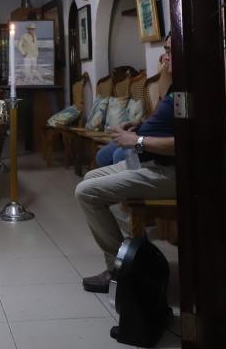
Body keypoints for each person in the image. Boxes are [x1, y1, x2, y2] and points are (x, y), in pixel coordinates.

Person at [74, 35, 175, 293]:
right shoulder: (174, 85)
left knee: (85, 192)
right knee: (89, 180)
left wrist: (137, 140)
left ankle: (118, 268)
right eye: (164, 51)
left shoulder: (193, 91)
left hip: (168, 171)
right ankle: (130, 257)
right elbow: (163, 122)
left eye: (171, 52)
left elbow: (185, 143)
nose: (164, 57)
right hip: (149, 163)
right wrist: (138, 126)